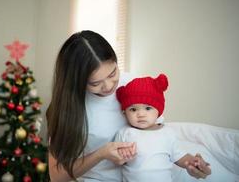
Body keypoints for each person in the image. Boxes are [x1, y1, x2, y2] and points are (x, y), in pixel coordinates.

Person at [46, 30, 211, 182]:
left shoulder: (134, 84)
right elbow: (57, 176)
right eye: (95, 83)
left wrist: (192, 164)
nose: (109, 86)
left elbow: (161, 139)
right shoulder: (67, 107)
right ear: (77, 81)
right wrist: (101, 154)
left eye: (113, 73)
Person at [115, 73, 212, 182]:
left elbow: (180, 157)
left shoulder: (167, 133)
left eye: (147, 108)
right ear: (125, 113)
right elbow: (114, 158)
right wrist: (122, 154)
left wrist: (194, 162)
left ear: (158, 111)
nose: (141, 114)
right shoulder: (125, 133)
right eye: (133, 109)